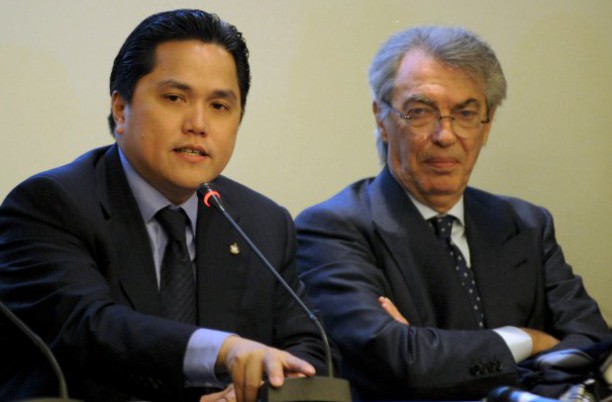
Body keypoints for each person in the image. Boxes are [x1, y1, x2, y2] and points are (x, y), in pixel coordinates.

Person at [0, 9, 330, 402]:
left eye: (219, 106)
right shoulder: (49, 204)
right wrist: (224, 350)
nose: (198, 124)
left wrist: (251, 392)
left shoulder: (262, 223)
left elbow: (311, 351)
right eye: (175, 98)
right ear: (120, 110)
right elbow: (90, 327)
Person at [295, 26, 611, 401]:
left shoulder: (526, 224)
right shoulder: (331, 229)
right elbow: (401, 360)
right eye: (420, 112)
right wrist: (527, 339)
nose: (445, 135)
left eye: (465, 113)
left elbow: (593, 342)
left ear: (487, 124)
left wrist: (437, 354)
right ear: (382, 118)